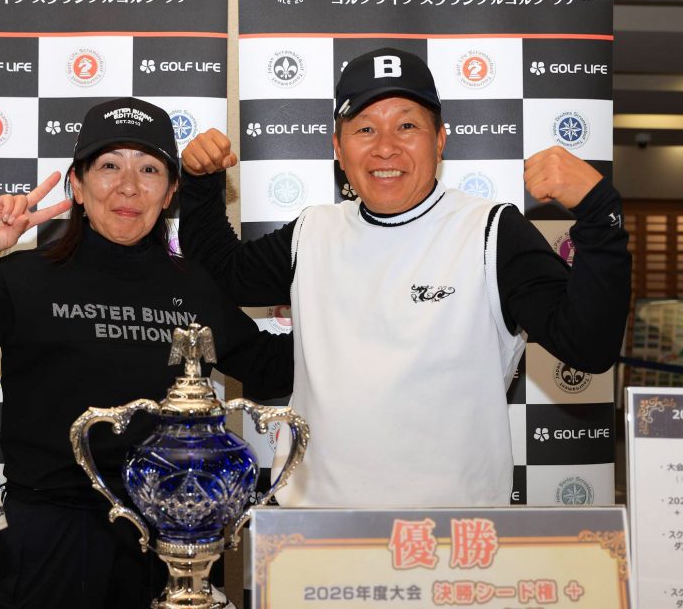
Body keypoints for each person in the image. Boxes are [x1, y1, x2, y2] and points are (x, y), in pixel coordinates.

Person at [0, 97, 292, 608]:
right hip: (50, 541)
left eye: (149, 169)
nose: (128, 186)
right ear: (78, 185)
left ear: (170, 192)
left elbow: (268, 369)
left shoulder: (195, 287)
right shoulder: (22, 279)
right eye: (109, 166)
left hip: (167, 539)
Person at [180, 48, 631, 508]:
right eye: (365, 129)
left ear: (440, 140)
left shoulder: (492, 231)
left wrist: (599, 213)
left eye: (407, 126)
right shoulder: (313, 230)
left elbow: (588, 346)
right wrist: (200, 182)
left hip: (454, 531)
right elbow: (221, 274)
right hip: (314, 529)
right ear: (338, 148)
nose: (385, 147)